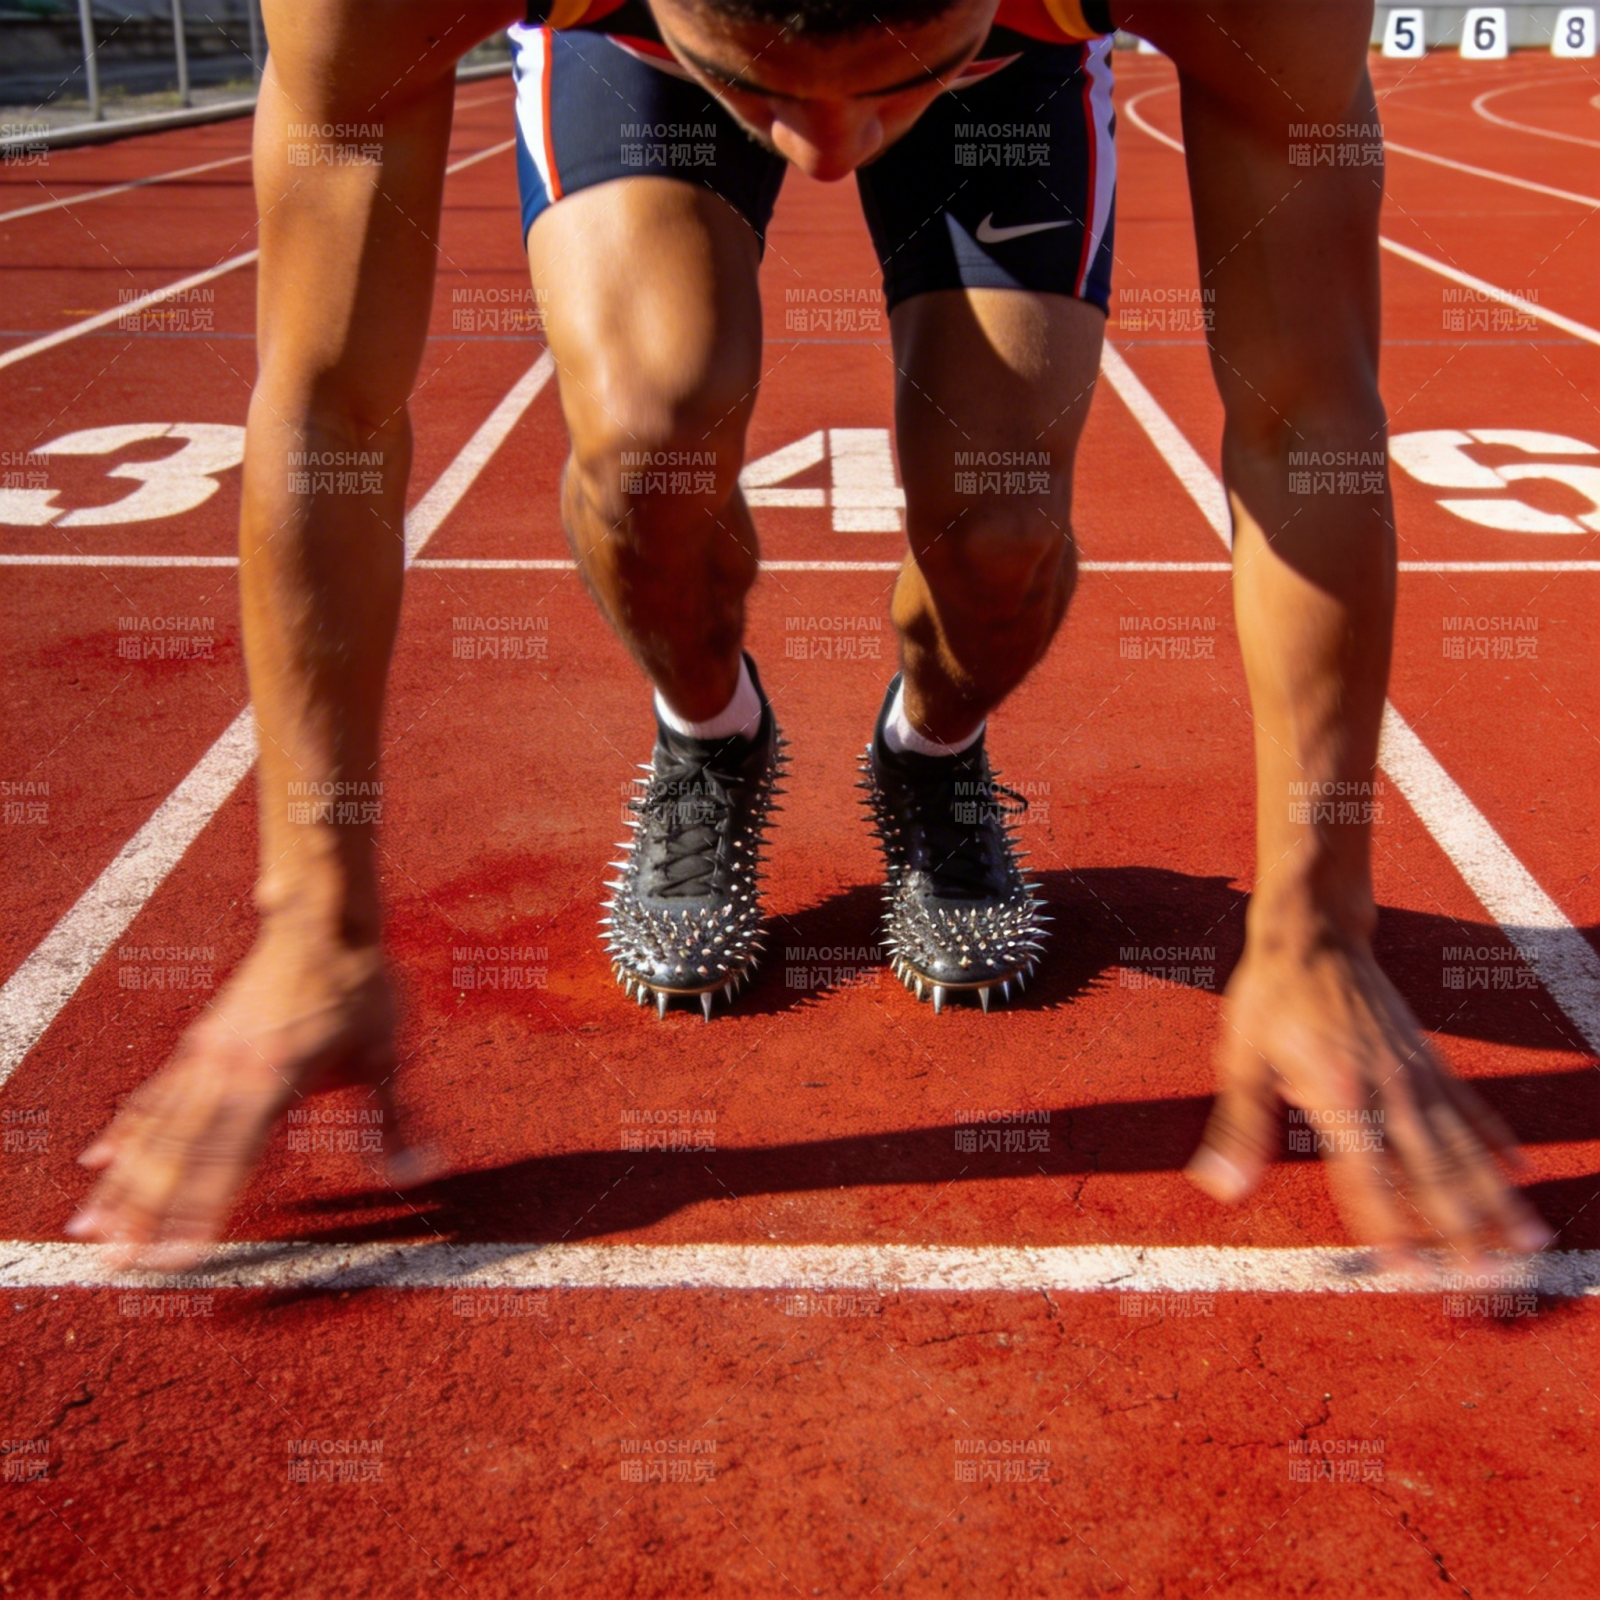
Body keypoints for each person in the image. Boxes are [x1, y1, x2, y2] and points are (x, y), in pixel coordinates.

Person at [67, 0, 1552, 1276]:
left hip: (1012, 73)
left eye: (895, 80)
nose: (828, 154)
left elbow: (1309, 422)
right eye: (764, 86)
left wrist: (1318, 919)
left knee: (1000, 527)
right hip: (650, 60)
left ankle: (933, 756)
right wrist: (312, 912)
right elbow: (327, 408)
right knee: (648, 445)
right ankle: (709, 739)